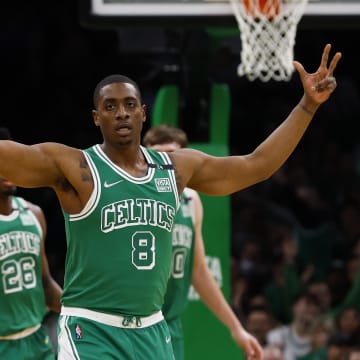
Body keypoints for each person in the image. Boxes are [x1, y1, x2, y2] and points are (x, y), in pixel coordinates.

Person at [0, 43, 341, 360]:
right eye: (110, 107)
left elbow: (258, 165)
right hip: (91, 329)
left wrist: (308, 105)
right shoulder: (77, 168)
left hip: (152, 329)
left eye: (129, 105)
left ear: (143, 113)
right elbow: (11, 156)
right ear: (96, 117)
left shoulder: (176, 169)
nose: (121, 113)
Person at [143, 124, 261, 359]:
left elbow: (198, 271)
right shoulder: (136, 197)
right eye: (157, 155)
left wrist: (236, 328)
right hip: (135, 324)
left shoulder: (191, 200)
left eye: (172, 155)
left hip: (170, 326)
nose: (164, 162)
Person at [0, 127, 62, 359]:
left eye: (11, 160)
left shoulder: (33, 213)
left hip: (38, 340)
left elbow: (45, 284)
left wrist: (81, 311)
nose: (8, 169)